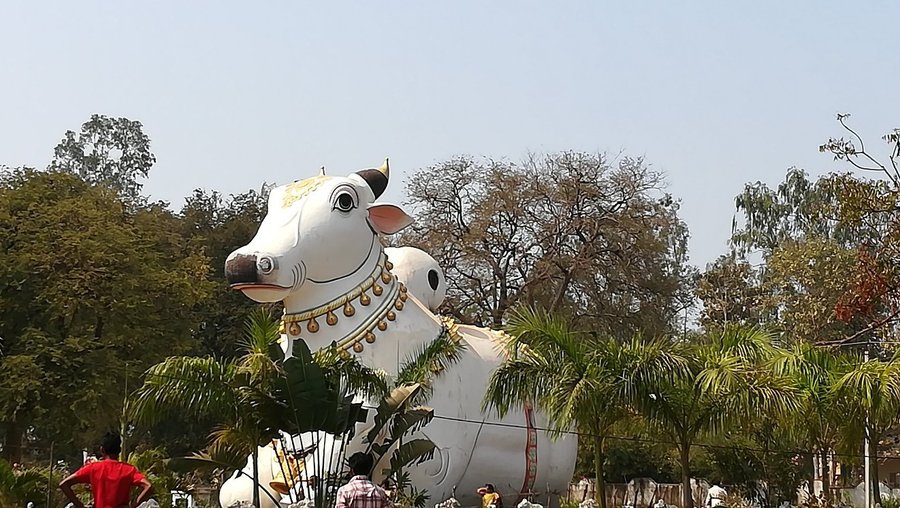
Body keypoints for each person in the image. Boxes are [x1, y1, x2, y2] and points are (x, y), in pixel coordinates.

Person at [59, 432, 154, 508]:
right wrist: (133, 506)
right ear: (119, 450)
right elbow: (148, 486)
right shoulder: (129, 470)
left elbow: (64, 484)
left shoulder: (93, 468)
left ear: (102, 450)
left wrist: (80, 505)